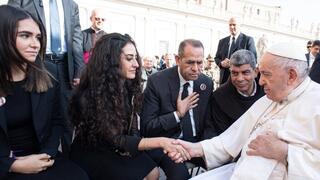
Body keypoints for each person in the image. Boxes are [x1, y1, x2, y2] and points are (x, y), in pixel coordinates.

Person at [171, 42, 320, 179]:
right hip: (239, 172)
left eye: (266, 74)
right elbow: (232, 138)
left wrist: (286, 153)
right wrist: (197, 149)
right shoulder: (269, 99)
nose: (260, 81)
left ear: (291, 75)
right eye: (260, 74)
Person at [69, 33, 189, 180]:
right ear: (110, 60)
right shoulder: (92, 93)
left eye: (135, 58)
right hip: (93, 151)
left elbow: (131, 130)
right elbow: (114, 139)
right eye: (129, 58)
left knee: (153, 173)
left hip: (118, 146)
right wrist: (161, 142)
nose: (137, 64)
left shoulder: (128, 86)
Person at [0, 5, 88, 180]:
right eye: (25, 36)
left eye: (38, 37)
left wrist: (46, 155)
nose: (35, 44)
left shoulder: (48, 72)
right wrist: (12, 165)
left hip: (40, 156)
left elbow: (57, 121)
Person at [141, 39, 214, 179]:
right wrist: (177, 114)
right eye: (190, 62)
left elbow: (209, 122)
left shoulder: (206, 83)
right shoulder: (157, 82)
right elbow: (147, 127)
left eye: (200, 62)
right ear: (177, 59)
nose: (196, 68)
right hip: (168, 144)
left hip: (197, 143)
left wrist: (203, 147)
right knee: (180, 176)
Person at [208, 49, 265, 135]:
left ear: (256, 72)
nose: (240, 79)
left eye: (245, 72)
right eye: (234, 73)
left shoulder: (268, 91)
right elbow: (221, 135)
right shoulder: (219, 97)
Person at [214, 17, 257, 85]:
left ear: (239, 26)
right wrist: (221, 63)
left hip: (240, 80)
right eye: (230, 25)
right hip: (224, 81)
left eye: (234, 25)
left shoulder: (247, 40)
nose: (231, 27)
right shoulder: (222, 41)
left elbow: (253, 60)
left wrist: (233, 64)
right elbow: (217, 58)